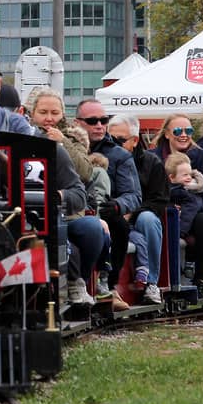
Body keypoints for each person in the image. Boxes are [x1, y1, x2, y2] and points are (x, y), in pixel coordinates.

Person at [24, 86, 105, 306]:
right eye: (43, 112)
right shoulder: (22, 137)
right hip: (30, 213)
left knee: (91, 229)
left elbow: (85, 173)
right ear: (31, 113)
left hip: (67, 212)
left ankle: (79, 282)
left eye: (55, 113)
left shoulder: (73, 137)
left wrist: (63, 143)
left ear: (62, 114)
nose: (49, 118)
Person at [74, 99, 141, 311]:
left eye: (104, 120)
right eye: (92, 121)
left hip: (104, 211)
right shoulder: (66, 147)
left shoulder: (120, 155)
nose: (99, 125)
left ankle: (109, 286)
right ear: (77, 122)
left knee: (119, 225)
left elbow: (134, 195)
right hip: (70, 209)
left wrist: (117, 205)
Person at [150, 113, 203, 295]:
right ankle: (158, 279)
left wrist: (189, 208)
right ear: (167, 134)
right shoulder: (153, 157)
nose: (184, 135)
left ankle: (201, 278)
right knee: (160, 219)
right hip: (164, 206)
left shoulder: (200, 156)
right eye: (178, 130)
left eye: (189, 131)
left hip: (194, 207)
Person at [108, 114, 167, 305]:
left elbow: (160, 201)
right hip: (111, 214)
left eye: (120, 140)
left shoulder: (152, 162)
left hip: (139, 216)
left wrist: (131, 211)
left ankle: (151, 283)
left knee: (148, 219)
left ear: (134, 140)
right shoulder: (101, 158)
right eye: (110, 139)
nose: (114, 145)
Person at [165, 153, 203, 283]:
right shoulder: (178, 191)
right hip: (179, 227)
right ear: (172, 178)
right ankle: (181, 267)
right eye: (185, 175)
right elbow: (188, 211)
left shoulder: (191, 190)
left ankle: (189, 265)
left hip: (185, 227)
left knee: (194, 240)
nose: (189, 177)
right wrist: (181, 231)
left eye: (190, 174)